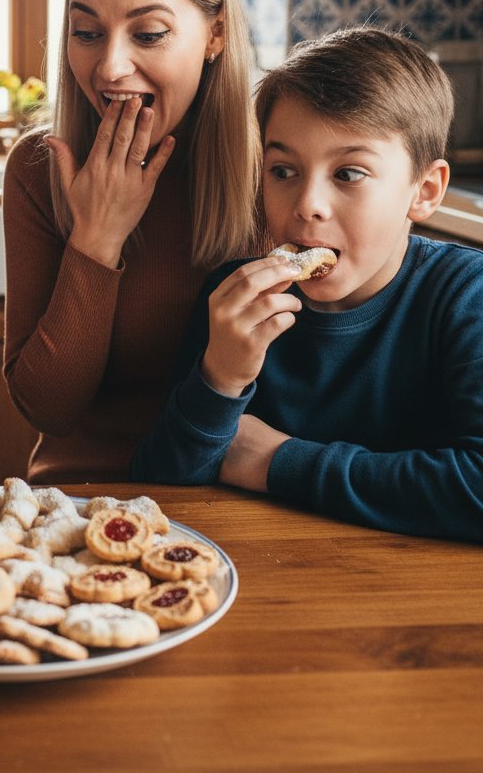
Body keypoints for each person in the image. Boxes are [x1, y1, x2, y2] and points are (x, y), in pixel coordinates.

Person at [131, 27, 483, 542]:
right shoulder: (236, 300)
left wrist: (272, 459)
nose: (307, 204)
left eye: (349, 174)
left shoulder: (465, 295)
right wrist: (220, 378)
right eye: (283, 170)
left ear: (424, 191)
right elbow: (160, 491)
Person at [3, 0, 261, 483]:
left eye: (148, 34)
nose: (110, 67)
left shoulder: (275, 168)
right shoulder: (38, 169)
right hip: (82, 499)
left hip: (241, 497)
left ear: (215, 35)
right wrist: (96, 240)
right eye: (87, 32)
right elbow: (49, 410)